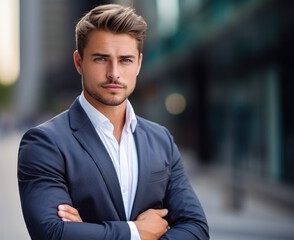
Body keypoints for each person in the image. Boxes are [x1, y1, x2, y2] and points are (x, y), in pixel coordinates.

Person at [18, 4, 209, 240]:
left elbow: (197, 229)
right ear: (79, 62)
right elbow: (54, 233)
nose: (114, 73)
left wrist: (89, 231)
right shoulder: (45, 143)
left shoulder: (161, 139)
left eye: (126, 60)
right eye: (101, 59)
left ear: (139, 63)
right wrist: (136, 233)